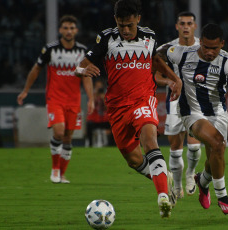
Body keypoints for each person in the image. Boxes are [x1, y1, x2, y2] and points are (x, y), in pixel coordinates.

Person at [75, 0, 182, 218]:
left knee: (150, 140)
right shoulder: (106, 38)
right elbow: (81, 65)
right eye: (122, 25)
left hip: (143, 100)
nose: (125, 30)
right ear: (116, 20)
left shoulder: (149, 36)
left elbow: (155, 60)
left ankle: (163, 197)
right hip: (116, 107)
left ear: (138, 20)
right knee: (133, 159)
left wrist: (174, 79)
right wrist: (81, 71)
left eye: (130, 25)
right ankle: (163, 176)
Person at [166, 23, 228, 215]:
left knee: (216, 154)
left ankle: (202, 181)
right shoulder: (182, 53)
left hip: (218, 114)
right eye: (205, 46)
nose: (209, 52)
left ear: (222, 44)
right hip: (191, 113)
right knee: (217, 143)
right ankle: (222, 197)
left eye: (214, 48)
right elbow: (156, 55)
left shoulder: (227, 62)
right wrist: (169, 80)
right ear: (200, 43)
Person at [17, 15, 94, 184]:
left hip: (74, 100)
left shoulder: (82, 51)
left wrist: (90, 98)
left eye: (71, 28)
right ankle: (55, 169)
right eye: (65, 28)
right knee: (58, 132)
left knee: (68, 137)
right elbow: (36, 69)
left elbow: (87, 76)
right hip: (55, 99)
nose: (68, 31)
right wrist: (25, 91)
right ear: (60, 30)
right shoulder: (50, 50)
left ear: (76, 31)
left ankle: (62, 175)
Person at [155, 11, 202, 199]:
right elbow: (156, 75)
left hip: (198, 103)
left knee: (194, 146)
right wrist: (168, 82)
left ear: (195, 26)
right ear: (177, 26)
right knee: (175, 147)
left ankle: (190, 174)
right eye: (182, 23)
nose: (185, 27)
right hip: (174, 101)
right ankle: (176, 184)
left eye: (189, 23)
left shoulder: (204, 47)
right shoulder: (167, 49)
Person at [86, 79, 112, 147]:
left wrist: (103, 99)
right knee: (89, 125)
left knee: (114, 125)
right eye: (97, 86)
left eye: (100, 86)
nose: (99, 88)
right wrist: (95, 95)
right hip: (95, 119)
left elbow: (108, 108)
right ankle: (90, 144)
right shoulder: (92, 95)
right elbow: (91, 106)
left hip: (104, 119)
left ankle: (111, 144)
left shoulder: (106, 95)